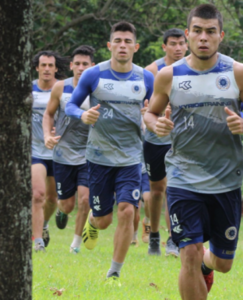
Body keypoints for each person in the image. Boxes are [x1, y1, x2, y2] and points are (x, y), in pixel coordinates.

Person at [144, 4, 243, 299]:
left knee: (223, 263)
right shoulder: (169, 75)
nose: (203, 37)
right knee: (188, 253)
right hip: (183, 178)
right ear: (187, 35)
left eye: (210, 31)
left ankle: (207, 265)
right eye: (197, 31)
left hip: (225, 181)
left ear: (220, 35)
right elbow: (150, 114)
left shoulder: (237, 72)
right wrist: (156, 125)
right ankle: (197, 263)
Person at [66, 21, 154, 279]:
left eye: (128, 41)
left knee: (127, 210)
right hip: (99, 156)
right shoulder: (94, 74)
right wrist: (83, 116)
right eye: (118, 40)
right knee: (104, 220)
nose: (123, 45)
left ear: (136, 47)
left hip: (131, 157)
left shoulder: (146, 78)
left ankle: (114, 272)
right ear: (109, 45)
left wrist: (151, 115)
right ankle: (93, 222)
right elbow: (70, 105)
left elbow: (155, 109)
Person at [42, 45, 95, 254]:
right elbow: (48, 114)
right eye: (78, 64)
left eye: (86, 64)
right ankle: (60, 212)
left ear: (92, 66)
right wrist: (47, 135)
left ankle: (75, 244)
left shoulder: (97, 89)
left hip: (89, 154)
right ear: (71, 65)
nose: (81, 68)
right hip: (63, 154)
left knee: (84, 199)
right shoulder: (60, 88)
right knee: (67, 205)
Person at [143, 28, 188, 257]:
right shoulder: (151, 71)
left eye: (181, 43)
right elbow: (143, 106)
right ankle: (153, 235)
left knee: (175, 188)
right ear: (164, 47)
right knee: (157, 190)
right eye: (173, 44)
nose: (178, 48)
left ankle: (173, 238)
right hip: (155, 139)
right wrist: (149, 115)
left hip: (181, 140)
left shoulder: (192, 69)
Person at [31, 50, 69, 252]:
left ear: (55, 68)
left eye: (50, 66)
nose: (46, 69)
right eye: (43, 65)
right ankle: (37, 242)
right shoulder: (27, 90)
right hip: (35, 151)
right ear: (37, 67)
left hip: (58, 152)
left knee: (53, 199)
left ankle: (45, 225)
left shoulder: (63, 89)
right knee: (37, 195)